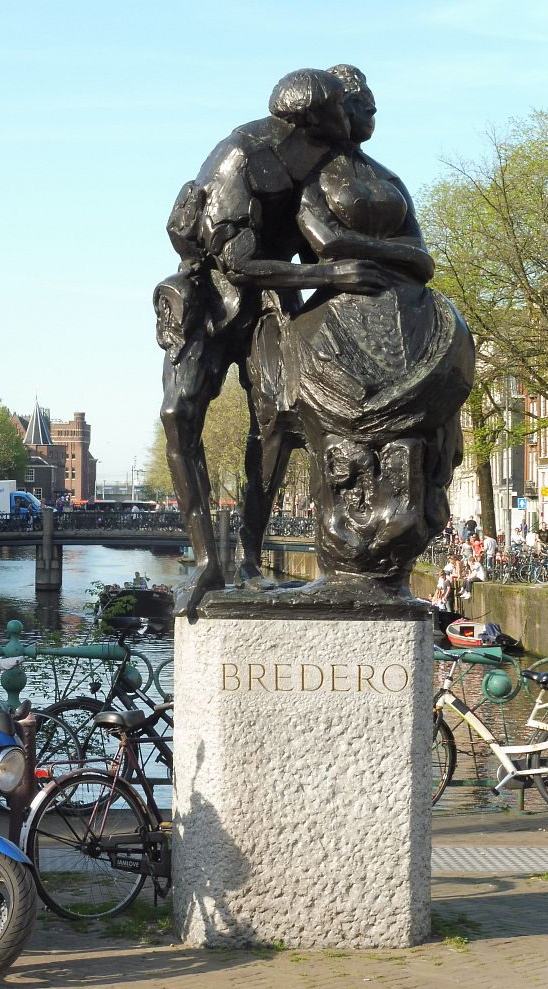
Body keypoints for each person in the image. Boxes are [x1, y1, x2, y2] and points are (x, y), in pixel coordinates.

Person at [156, 67, 387, 616]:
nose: (353, 120)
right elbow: (237, 265)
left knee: (277, 423)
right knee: (178, 413)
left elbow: (321, 238)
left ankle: (251, 561)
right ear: (312, 116)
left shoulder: (322, 160)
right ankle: (207, 562)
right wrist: (331, 275)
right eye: (343, 109)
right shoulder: (241, 155)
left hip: (272, 300)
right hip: (211, 296)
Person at [250, 64, 473, 592]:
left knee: (415, 438)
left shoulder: (388, 177)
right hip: (338, 314)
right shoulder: (308, 177)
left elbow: (423, 258)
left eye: (372, 99)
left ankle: (390, 560)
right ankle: (336, 559)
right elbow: (324, 243)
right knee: (326, 430)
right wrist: (386, 254)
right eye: (357, 100)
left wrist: (369, 252)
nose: (370, 107)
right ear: (333, 110)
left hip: (409, 310)